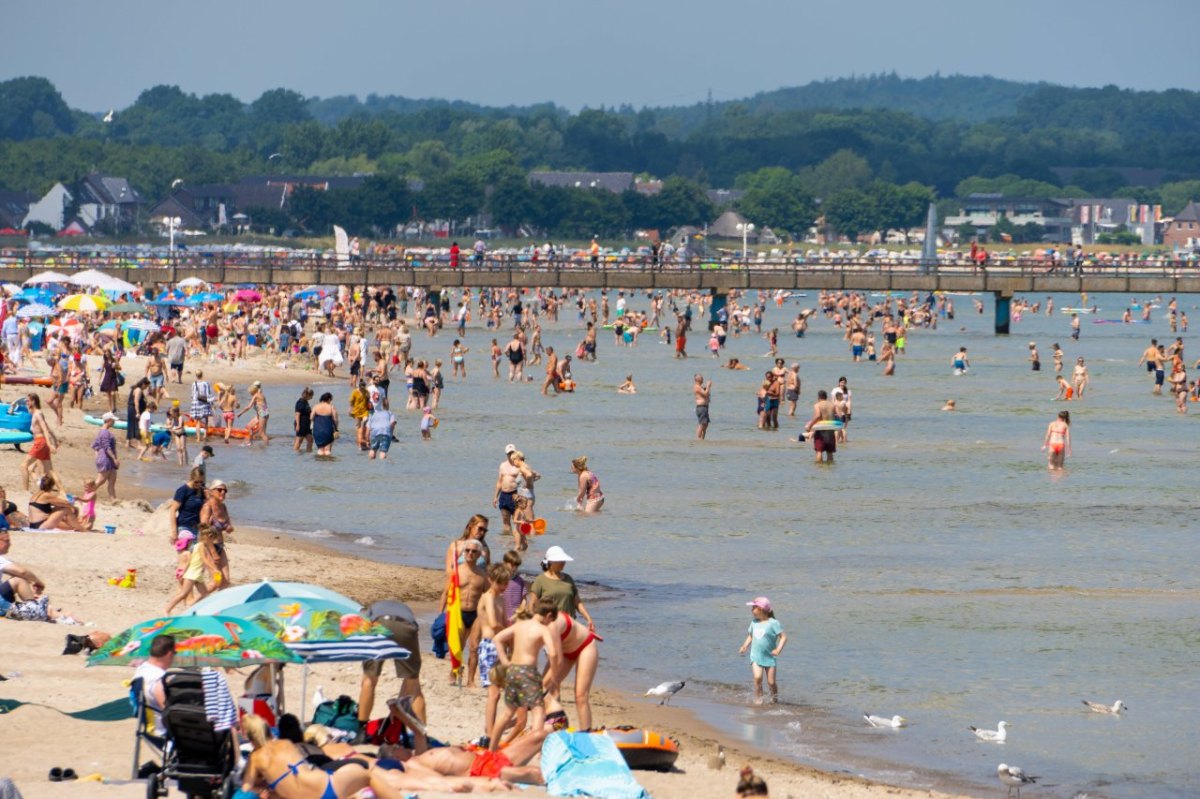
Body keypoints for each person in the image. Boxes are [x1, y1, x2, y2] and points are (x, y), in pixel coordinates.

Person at [489, 598, 562, 748]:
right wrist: (554, 675)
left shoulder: (520, 625)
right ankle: (533, 748)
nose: (550, 624)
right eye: (551, 620)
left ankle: (491, 749)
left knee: (507, 713)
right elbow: (553, 654)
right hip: (528, 672)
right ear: (548, 615)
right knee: (538, 711)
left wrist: (504, 661)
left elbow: (497, 638)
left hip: (513, 670)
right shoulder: (543, 629)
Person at [358, 600, 425, 732]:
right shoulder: (405, 609)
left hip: (379, 624)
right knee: (413, 685)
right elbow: (414, 628)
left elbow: (362, 630)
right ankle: (420, 733)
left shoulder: (370, 610)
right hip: (406, 626)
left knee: (369, 680)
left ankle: (361, 728)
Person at [477, 563, 511, 739]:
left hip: (501, 646)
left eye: (506, 583)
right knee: (494, 693)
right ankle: (490, 733)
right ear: (491, 580)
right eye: (500, 583)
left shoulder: (501, 598)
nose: (504, 587)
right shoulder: (488, 597)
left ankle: (491, 727)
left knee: (500, 692)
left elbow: (505, 621)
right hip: (489, 645)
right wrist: (508, 633)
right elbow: (493, 623)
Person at [739, 596, 787, 705]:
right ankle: (758, 700)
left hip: (769, 657)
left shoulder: (773, 623)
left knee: (771, 682)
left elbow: (784, 637)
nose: (751, 610)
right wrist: (745, 646)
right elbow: (751, 636)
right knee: (757, 677)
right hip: (755, 656)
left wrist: (778, 649)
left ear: (761, 609)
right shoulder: (754, 623)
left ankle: (774, 700)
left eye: (753, 608)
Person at [133, 635, 176, 735]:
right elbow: (169, 712)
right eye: (175, 653)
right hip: (164, 732)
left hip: (149, 725)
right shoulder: (160, 679)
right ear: (169, 654)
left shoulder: (141, 670)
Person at [21, 394, 58, 491]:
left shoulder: (37, 414)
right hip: (41, 442)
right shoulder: (35, 414)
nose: (26, 403)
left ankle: (25, 491)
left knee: (24, 465)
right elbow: (47, 427)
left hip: (40, 442)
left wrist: (50, 444)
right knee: (49, 471)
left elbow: (45, 428)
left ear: (33, 402)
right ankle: (59, 489)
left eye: (28, 401)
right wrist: (55, 440)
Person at [804, 390, 837, 464]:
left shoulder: (817, 405)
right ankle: (830, 468)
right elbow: (837, 416)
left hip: (821, 431)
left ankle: (819, 469)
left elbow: (818, 416)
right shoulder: (832, 405)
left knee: (819, 451)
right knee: (829, 452)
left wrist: (810, 426)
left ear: (818, 397)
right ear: (826, 397)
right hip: (830, 431)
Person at [311, 392, 338, 456]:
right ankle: (328, 464)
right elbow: (335, 420)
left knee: (320, 449)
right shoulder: (331, 407)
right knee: (327, 450)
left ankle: (319, 464)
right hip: (328, 429)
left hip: (317, 429)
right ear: (328, 399)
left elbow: (311, 417)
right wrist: (336, 429)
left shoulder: (316, 406)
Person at [293, 387, 314, 452]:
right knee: (299, 440)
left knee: (310, 440)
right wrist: (298, 425)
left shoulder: (306, 402)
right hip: (301, 424)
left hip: (307, 425)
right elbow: (297, 414)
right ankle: (295, 454)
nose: (312, 397)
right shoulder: (300, 402)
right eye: (311, 396)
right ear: (307, 395)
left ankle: (308, 455)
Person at [694, 374, 712, 440]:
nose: (703, 379)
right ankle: (698, 439)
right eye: (701, 378)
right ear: (698, 379)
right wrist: (708, 386)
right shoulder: (697, 387)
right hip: (701, 407)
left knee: (706, 424)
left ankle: (702, 439)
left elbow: (706, 394)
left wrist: (706, 388)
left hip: (705, 407)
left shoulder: (700, 387)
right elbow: (705, 394)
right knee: (701, 424)